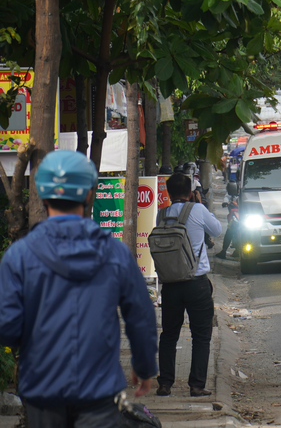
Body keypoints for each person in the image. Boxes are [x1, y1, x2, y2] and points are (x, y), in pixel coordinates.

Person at [0, 150, 158, 428]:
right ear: (88, 195)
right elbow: (141, 318)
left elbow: (7, 327)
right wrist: (144, 368)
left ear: (42, 195)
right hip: (99, 390)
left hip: (41, 390)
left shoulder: (19, 256)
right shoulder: (116, 253)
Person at [157, 173, 222, 397]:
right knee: (201, 335)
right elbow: (217, 230)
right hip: (196, 284)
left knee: (168, 334)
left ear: (168, 193)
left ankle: (165, 383)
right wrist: (200, 204)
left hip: (170, 284)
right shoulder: (198, 210)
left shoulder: (161, 214)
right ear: (190, 192)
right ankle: (196, 385)